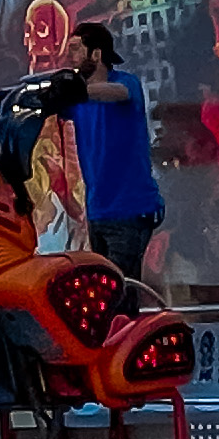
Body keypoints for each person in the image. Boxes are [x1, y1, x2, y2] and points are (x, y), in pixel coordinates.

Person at [69, 24, 164, 276]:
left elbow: (118, 93)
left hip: (130, 209)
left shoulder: (125, 82)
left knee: (119, 286)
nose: (70, 56)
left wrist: (75, 91)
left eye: (76, 49)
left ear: (97, 54)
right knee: (107, 289)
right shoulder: (74, 99)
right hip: (97, 211)